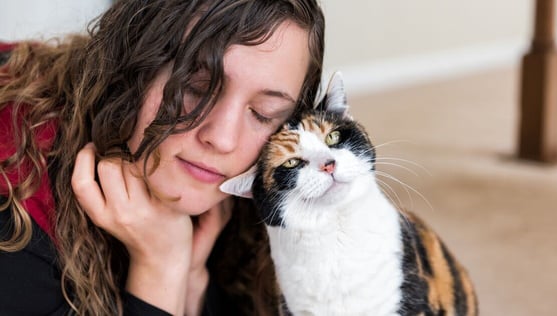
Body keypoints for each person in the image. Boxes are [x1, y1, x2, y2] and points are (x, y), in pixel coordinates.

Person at [0, 0, 325, 315]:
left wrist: (192, 281)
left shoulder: (244, 196)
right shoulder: (13, 197)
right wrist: (162, 267)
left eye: (264, 114)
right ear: (132, 65)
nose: (223, 139)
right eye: (197, 87)